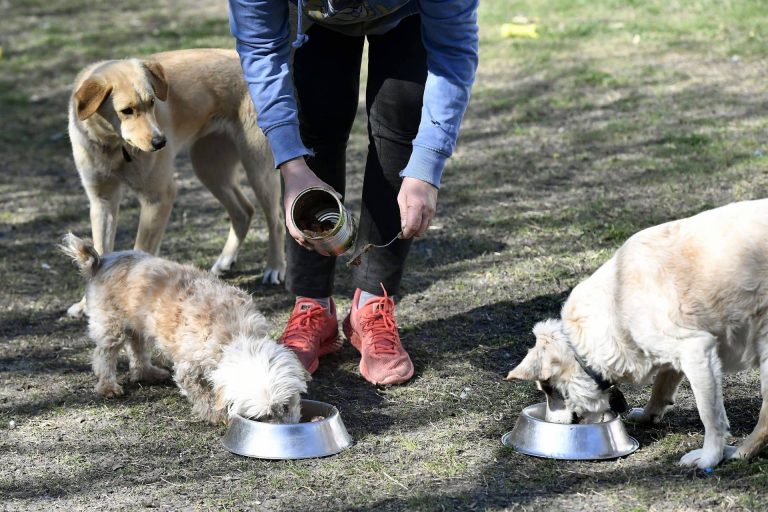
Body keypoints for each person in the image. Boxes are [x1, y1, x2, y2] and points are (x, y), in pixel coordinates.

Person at [228, 0, 479, 385]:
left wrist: (426, 165)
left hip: (406, 14)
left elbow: (453, 51)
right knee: (314, 121)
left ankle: (372, 305)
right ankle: (313, 305)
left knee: (401, 121)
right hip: (311, 20)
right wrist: (292, 165)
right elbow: (261, 48)